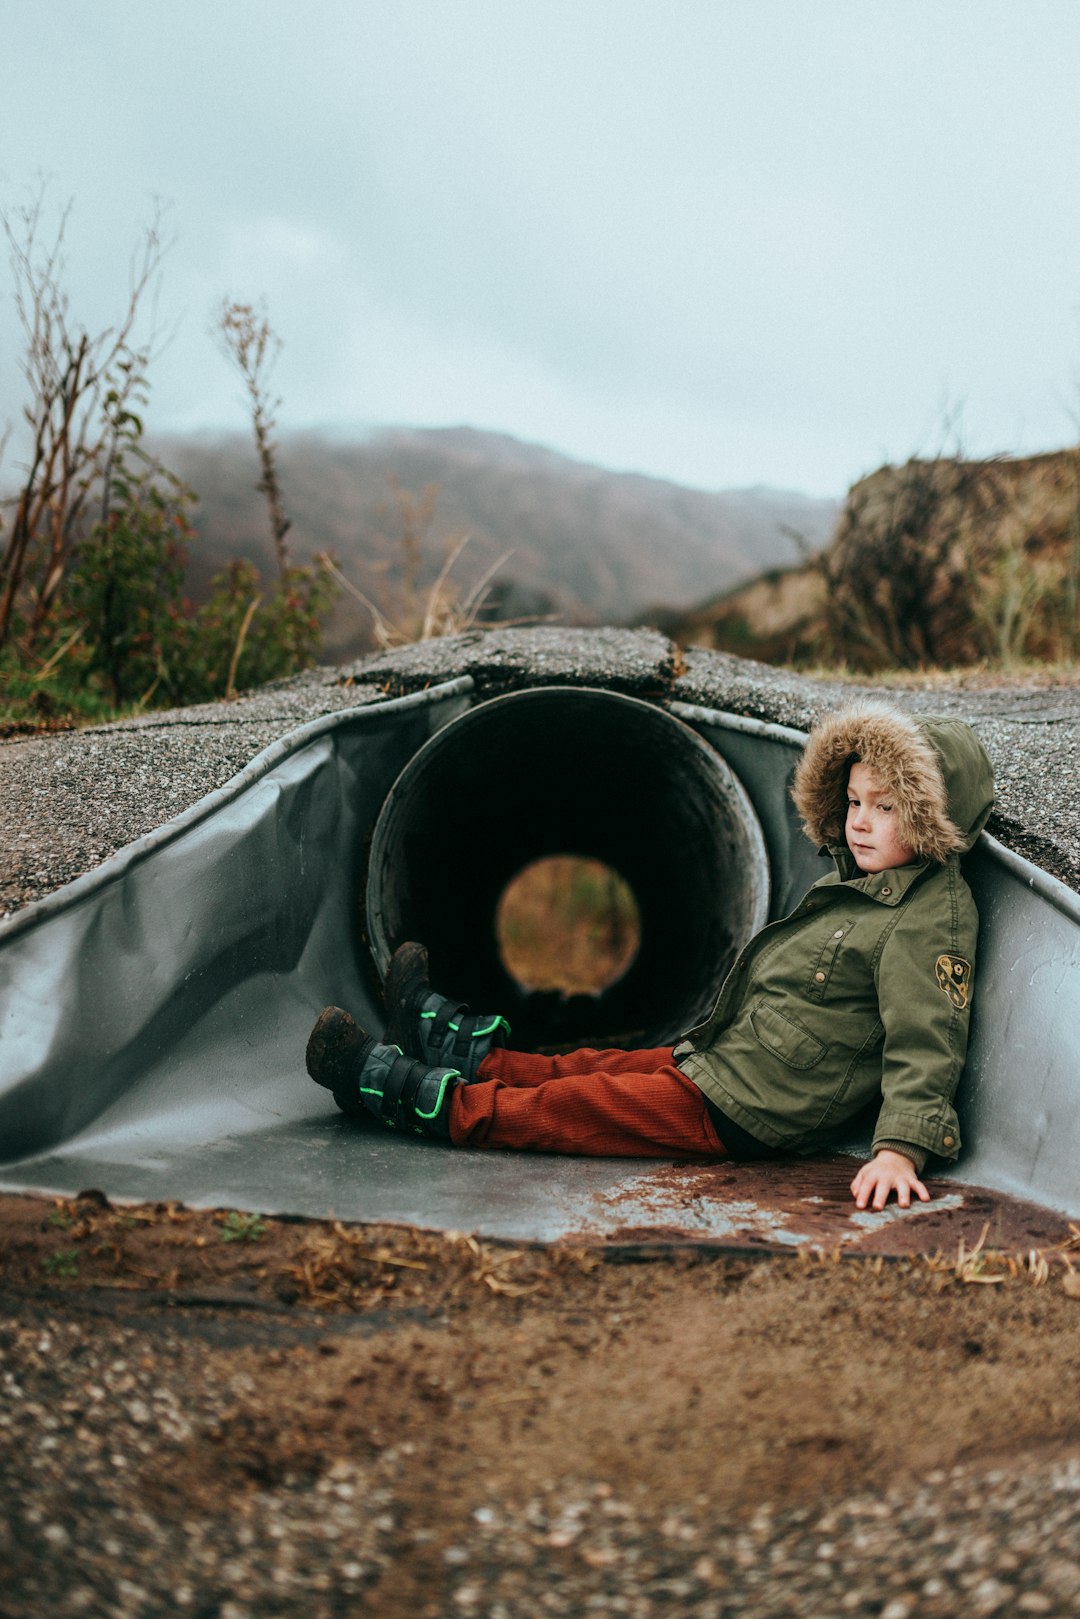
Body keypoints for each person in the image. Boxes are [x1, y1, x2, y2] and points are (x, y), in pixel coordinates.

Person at [305, 702, 994, 1210]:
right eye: (852, 801)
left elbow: (926, 1036)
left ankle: (419, 1098)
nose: (860, 820)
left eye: (886, 807)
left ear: (935, 819)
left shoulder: (930, 915)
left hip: (751, 1107)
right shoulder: (863, 882)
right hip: (726, 1061)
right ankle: (453, 1044)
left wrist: (900, 1147)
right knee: (587, 1064)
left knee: (578, 1104)